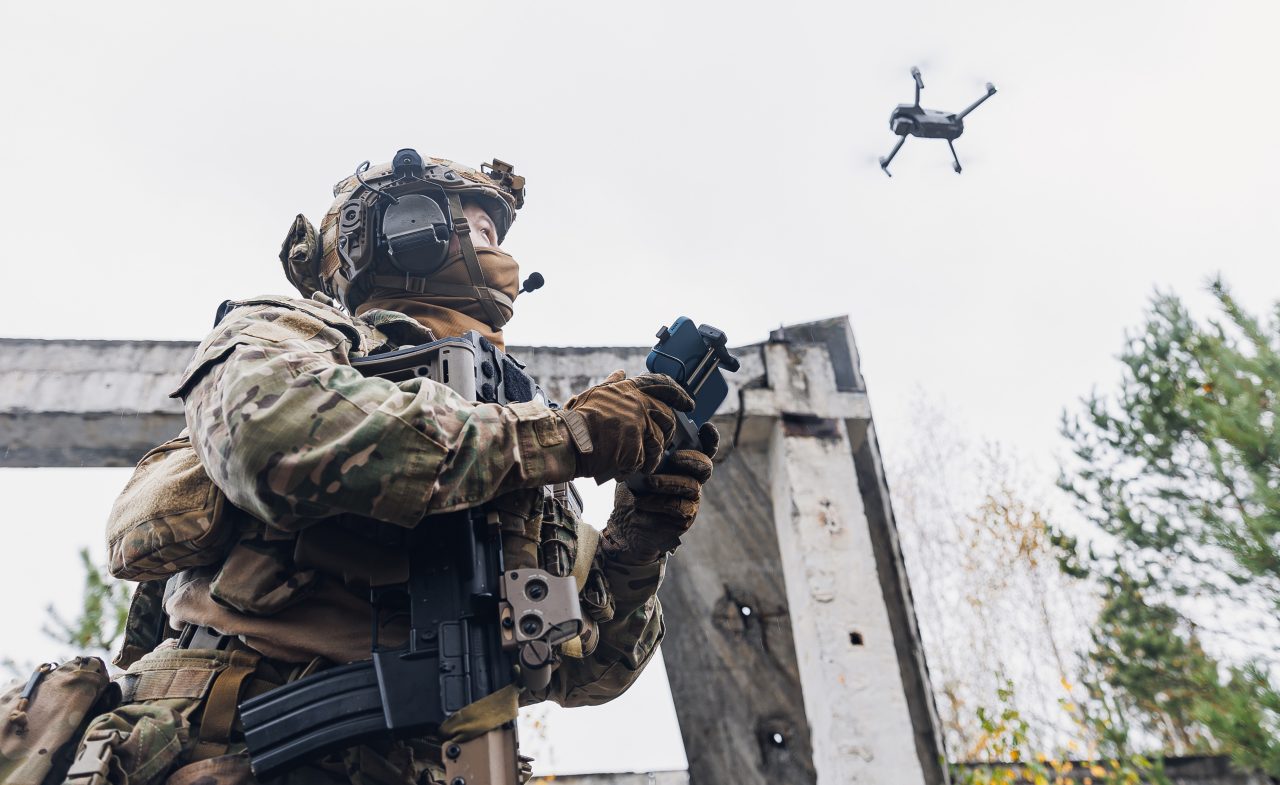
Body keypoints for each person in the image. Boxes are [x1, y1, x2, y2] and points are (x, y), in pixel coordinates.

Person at [60, 151, 718, 785]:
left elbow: (587, 670)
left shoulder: (522, 432)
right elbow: (274, 438)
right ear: (409, 230)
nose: (500, 251)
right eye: (480, 225)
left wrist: (640, 538)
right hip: (229, 747)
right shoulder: (295, 334)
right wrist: (566, 435)